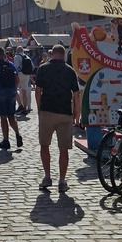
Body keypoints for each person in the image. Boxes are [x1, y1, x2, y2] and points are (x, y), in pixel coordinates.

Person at [35, 44, 81, 192]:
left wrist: (39, 108)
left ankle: (47, 176)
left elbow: (38, 91)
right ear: (63, 54)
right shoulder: (70, 71)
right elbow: (76, 94)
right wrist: (77, 113)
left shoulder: (43, 68)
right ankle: (62, 180)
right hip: (65, 113)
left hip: (47, 111)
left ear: (52, 54)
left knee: (44, 145)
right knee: (63, 149)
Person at [0, 46, 22, 150]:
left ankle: (6, 140)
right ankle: (17, 134)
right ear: (4, 54)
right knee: (11, 116)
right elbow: (17, 79)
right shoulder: (11, 65)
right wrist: (14, 89)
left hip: (1, 92)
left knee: (3, 117)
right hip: (11, 92)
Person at [14, 45, 32, 115]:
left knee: (14, 90)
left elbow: (15, 67)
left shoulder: (17, 56)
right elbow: (32, 67)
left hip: (20, 74)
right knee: (24, 92)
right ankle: (25, 108)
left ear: (17, 50)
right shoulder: (27, 57)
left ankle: (20, 105)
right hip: (27, 75)